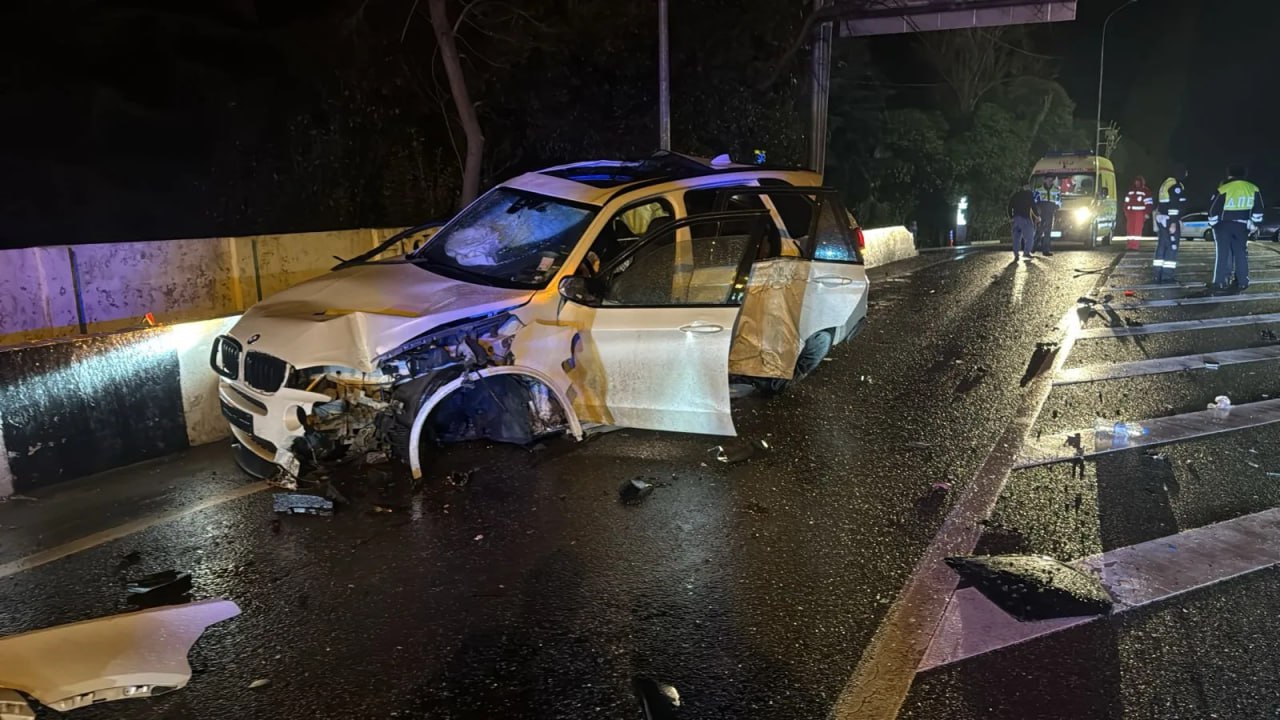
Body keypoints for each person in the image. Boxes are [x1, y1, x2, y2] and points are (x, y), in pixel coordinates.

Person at [1207, 165, 1264, 294]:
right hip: (1242, 226)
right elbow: (1259, 210)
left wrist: (1213, 224)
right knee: (1241, 254)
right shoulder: (1253, 188)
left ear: (1229, 174)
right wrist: (1254, 224)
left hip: (1224, 226)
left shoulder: (1224, 188)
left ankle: (1220, 282)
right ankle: (1242, 281)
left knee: (1222, 254)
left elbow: (1212, 209)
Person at [1152, 164, 1188, 283]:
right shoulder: (1175, 186)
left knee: (1162, 246)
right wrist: (1173, 222)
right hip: (1169, 220)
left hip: (1162, 218)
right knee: (1172, 247)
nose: (1186, 174)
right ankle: (1167, 276)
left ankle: (1157, 274)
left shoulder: (1165, 184)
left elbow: (1159, 203)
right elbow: (1174, 205)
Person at [1008, 183, 1038, 260]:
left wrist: (1011, 217)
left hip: (1016, 219)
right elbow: (1033, 206)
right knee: (1030, 236)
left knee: (1016, 237)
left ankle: (1016, 254)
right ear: (1025, 187)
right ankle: (1026, 252)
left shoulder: (1015, 195)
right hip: (1025, 219)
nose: (1030, 188)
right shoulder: (1029, 194)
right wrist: (1037, 216)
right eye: (1028, 186)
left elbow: (1009, 206)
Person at [1031, 177, 1061, 256]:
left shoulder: (1056, 190)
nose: (1050, 181)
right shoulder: (1038, 190)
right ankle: (1033, 247)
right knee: (1039, 231)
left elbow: (1059, 201)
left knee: (1048, 232)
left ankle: (1046, 250)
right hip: (1041, 212)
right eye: (1049, 180)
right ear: (1044, 180)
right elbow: (1034, 201)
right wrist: (1037, 212)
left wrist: (1056, 207)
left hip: (1050, 213)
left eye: (1052, 180)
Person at [1122, 176, 1153, 248]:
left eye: (1138, 181)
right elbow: (1126, 201)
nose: (1137, 183)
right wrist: (1125, 210)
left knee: (1137, 230)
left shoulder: (1145, 191)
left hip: (1140, 213)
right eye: (1136, 181)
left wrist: (1147, 213)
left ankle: (1135, 245)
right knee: (1130, 229)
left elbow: (1148, 203)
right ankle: (1129, 245)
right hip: (1130, 213)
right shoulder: (1131, 190)